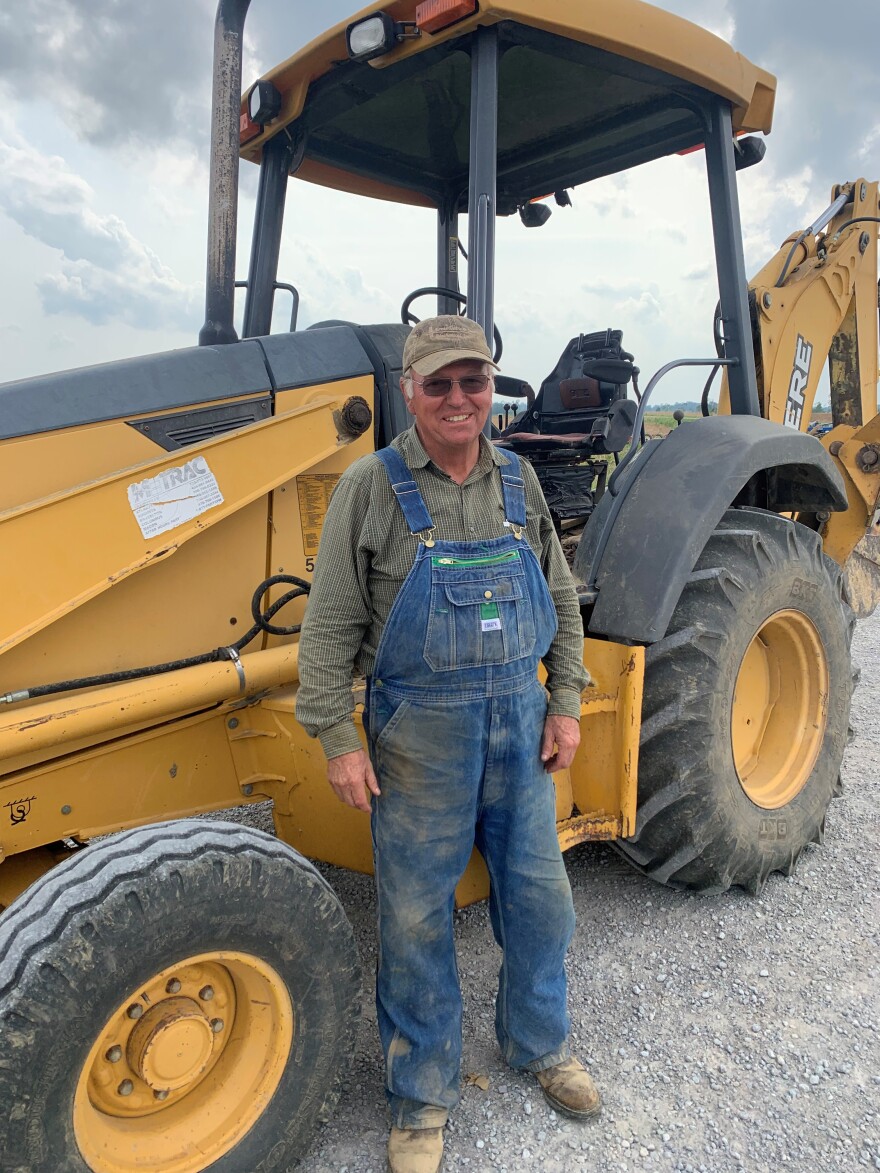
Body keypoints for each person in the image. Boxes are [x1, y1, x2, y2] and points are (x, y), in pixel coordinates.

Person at [296, 315, 599, 1173]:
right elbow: (327, 629)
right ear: (410, 391)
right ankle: (421, 1095)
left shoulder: (521, 481)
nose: (461, 398)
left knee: (540, 901)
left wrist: (567, 699)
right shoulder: (371, 485)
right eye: (441, 383)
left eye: (475, 381)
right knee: (417, 915)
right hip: (418, 735)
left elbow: (561, 599)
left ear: (490, 388)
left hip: (518, 722)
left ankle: (540, 1045)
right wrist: (336, 737)